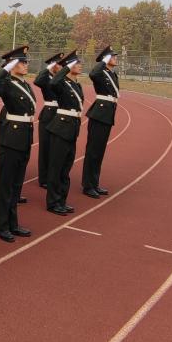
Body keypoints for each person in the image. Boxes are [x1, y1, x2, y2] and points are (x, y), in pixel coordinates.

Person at [0, 45, 36, 242]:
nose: (26, 65)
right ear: (12, 64)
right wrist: (7, 67)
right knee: (6, 184)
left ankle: (13, 223)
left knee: (17, 184)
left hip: (24, 137)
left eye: (26, 61)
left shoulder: (25, 84)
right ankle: (2, 226)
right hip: (11, 139)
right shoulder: (7, 84)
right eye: (21, 62)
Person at [46, 50, 84, 216]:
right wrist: (66, 68)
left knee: (65, 168)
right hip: (61, 129)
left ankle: (61, 199)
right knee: (57, 167)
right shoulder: (61, 83)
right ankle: (53, 202)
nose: (80, 65)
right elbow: (53, 82)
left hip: (72, 128)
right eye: (76, 63)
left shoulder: (76, 84)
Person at [82, 46, 119, 198]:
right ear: (106, 59)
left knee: (99, 152)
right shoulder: (100, 73)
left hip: (107, 115)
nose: (116, 58)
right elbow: (92, 73)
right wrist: (103, 62)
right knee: (93, 151)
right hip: (99, 115)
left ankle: (94, 183)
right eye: (112, 56)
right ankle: (88, 185)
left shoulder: (112, 73)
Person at [33, 52, 64, 189]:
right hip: (49, 114)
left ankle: (54, 175)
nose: (62, 66)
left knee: (57, 147)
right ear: (53, 65)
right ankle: (44, 178)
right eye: (59, 64)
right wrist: (48, 68)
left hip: (60, 113)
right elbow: (37, 81)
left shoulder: (60, 78)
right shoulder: (46, 78)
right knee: (46, 147)